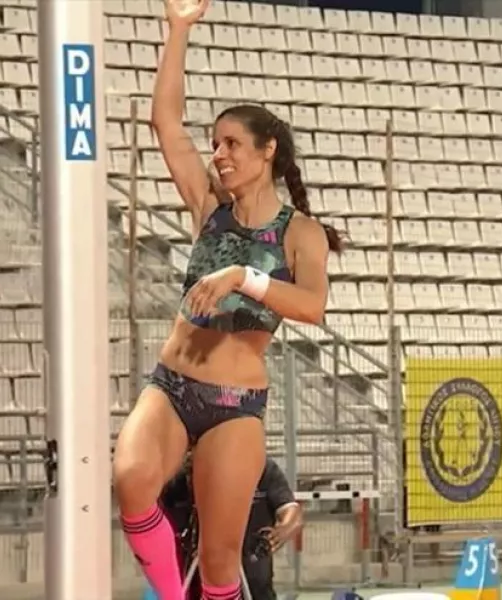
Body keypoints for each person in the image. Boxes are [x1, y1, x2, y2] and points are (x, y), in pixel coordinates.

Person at [111, 0, 343, 598]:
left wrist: (244, 276)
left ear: (267, 152)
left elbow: (313, 306)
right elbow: (165, 123)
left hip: (235, 406)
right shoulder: (209, 205)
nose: (219, 154)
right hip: (172, 384)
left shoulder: (300, 233)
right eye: (215, 144)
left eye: (233, 143)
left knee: (219, 564)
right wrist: (178, 29)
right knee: (131, 480)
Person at [160, 457, 303, 600]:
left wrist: (283, 530)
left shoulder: (260, 467)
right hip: (195, 583)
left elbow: (291, 511)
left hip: (254, 582)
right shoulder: (177, 478)